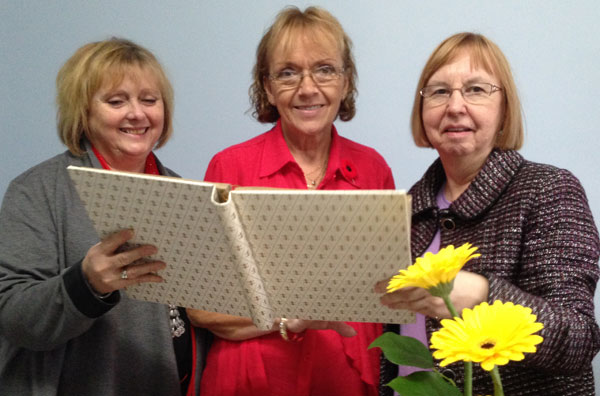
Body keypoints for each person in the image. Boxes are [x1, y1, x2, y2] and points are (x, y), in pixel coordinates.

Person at [186, 6, 395, 396]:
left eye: (325, 69)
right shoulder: (229, 166)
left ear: (346, 81)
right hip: (249, 381)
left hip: (346, 380)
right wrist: (287, 317)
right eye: (288, 72)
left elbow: (385, 296)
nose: (308, 88)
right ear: (266, 87)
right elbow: (200, 308)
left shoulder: (373, 169)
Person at [378, 32, 600, 395]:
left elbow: (576, 339)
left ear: (504, 110)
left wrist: (483, 294)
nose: (454, 106)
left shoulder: (548, 189)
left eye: (476, 90)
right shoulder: (406, 207)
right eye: (438, 92)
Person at [0, 38, 209, 395]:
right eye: (116, 101)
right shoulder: (37, 190)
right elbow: (14, 316)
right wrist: (86, 284)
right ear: (84, 111)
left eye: (149, 99)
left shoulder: (184, 191)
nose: (137, 113)